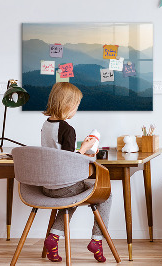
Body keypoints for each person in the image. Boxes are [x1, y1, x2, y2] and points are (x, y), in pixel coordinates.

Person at [41, 82, 111, 263]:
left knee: (71, 197)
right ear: (67, 105)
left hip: (47, 186)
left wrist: (80, 149)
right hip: (64, 186)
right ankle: (97, 240)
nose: (76, 110)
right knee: (106, 194)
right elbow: (69, 161)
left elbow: (58, 154)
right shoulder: (67, 129)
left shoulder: (46, 125)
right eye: (76, 106)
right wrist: (86, 148)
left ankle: (53, 238)